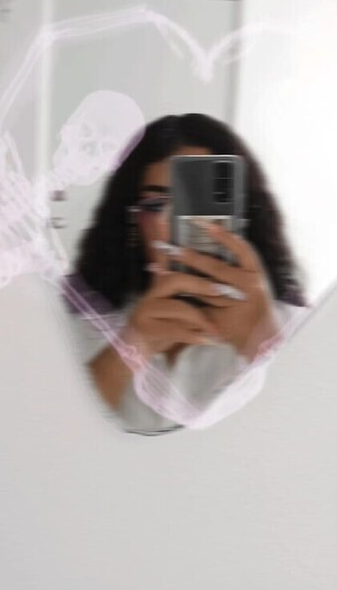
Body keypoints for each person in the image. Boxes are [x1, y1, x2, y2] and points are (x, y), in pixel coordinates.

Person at [62, 113, 310, 434]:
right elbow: (45, 442)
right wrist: (130, 347)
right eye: (155, 204)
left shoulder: (295, 329)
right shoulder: (78, 328)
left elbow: (325, 440)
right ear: (133, 221)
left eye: (195, 202)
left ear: (239, 214)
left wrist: (261, 340)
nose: (173, 222)